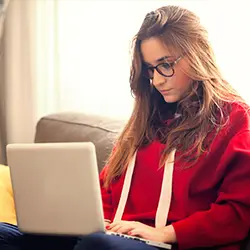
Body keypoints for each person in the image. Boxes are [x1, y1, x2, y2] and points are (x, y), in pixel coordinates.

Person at [1, 4, 250, 250]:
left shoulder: (235, 119)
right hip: (112, 237)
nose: (158, 80)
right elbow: (106, 187)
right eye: (151, 70)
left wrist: (166, 233)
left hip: (168, 243)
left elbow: (238, 213)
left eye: (165, 64)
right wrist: (100, 223)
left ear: (197, 55)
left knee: (97, 245)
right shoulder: (147, 116)